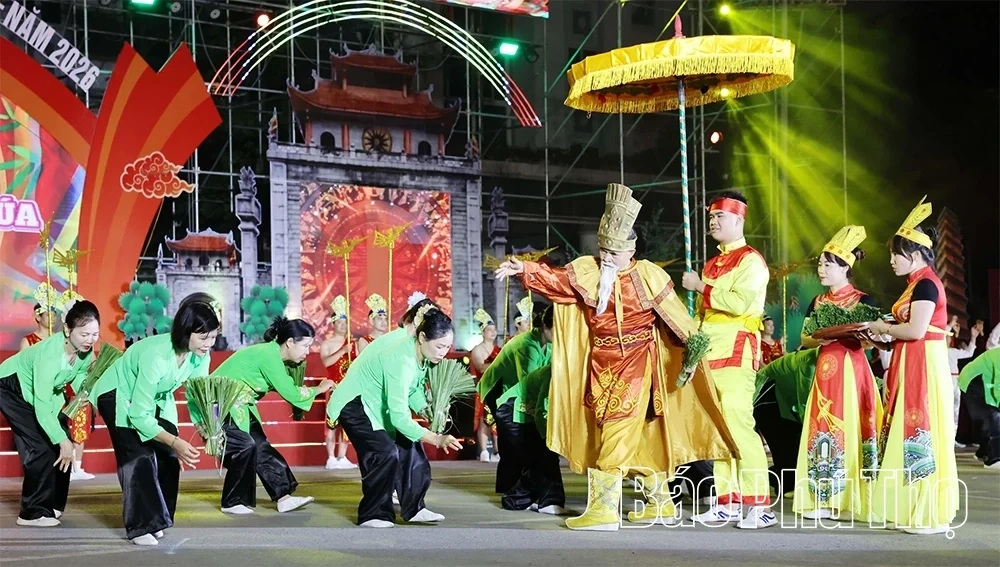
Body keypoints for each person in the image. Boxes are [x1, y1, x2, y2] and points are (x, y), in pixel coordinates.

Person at [495, 183, 737, 531]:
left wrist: (691, 352)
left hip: (637, 364)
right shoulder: (589, 271)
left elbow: (678, 320)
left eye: (614, 252)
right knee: (632, 439)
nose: (607, 256)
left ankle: (604, 509)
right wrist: (524, 270)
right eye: (604, 248)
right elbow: (557, 282)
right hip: (599, 364)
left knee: (615, 431)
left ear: (632, 250)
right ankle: (661, 504)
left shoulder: (648, 276)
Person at [681, 190, 774, 529]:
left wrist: (700, 287)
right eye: (711, 217)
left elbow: (741, 304)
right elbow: (705, 314)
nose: (714, 221)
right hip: (710, 351)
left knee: (738, 425)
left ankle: (760, 504)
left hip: (736, 349)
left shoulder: (751, 260)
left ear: (739, 219)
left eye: (720, 216)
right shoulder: (712, 263)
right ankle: (727, 501)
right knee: (718, 429)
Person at [91, 301, 218, 546]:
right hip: (117, 394)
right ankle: (140, 526)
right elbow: (138, 415)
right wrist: (175, 440)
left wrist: (207, 428)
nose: (209, 344)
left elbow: (198, 394)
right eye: (203, 337)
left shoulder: (201, 355)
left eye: (213, 337)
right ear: (185, 331)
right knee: (138, 456)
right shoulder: (157, 355)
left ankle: (157, 518)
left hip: (156, 398)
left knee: (168, 456)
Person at [868, 197, 959, 535]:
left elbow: (916, 330)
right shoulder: (914, 285)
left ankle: (930, 513)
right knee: (910, 430)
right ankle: (913, 507)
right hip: (912, 359)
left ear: (917, 255)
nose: (891, 261)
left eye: (896, 254)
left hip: (924, 362)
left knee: (924, 431)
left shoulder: (925, 284)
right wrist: (883, 336)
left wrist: (884, 328)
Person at [326, 305, 463, 528]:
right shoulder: (401, 357)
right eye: (439, 346)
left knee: (410, 447)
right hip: (354, 402)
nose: (443, 352)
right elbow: (400, 417)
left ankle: (415, 508)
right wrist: (436, 438)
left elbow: (413, 389)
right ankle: (373, 514)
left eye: (447, 347)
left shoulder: (422, 354)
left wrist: (427, 409)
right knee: (384, 452)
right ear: (421, 335)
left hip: (377, 402)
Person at [792, 226, 883, 521]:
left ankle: (856, 499)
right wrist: (824, 337)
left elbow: (873, 341)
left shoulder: (863, 301)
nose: (821, 269)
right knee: (823, 430)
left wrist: (854, 334)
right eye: (820, 263)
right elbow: (804, 338)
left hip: (852, 372)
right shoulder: (817, 303)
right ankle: (823, 498)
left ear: (845, 268)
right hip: (824, 373)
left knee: (852, 428)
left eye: (827, 264)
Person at [203, 317, 335, 515]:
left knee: (258, 447)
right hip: (220, 405)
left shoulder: (272, 354)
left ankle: (282, 497)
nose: (308, 352)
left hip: (238, 405)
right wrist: (319, 389)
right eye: (305, 346)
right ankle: (234, 501)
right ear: (290, 342)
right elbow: (291, 393)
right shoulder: (269, 356)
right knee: (250, 447)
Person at [0, 299, 100, 527]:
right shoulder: (49, 355)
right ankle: (31, 513)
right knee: (42, 444)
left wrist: (88, 394)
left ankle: (53, 504)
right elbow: (42, 407)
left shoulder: (85, 352)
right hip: (10, 388)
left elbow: (77, 380)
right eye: (84, 334)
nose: (90, 340)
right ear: (67, 329)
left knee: (62, 436)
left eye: (95, 334)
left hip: (46, 392)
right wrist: (61, 440)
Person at [479, 304, 553, 502]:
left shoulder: (550, 343)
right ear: (546, 327)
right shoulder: (526, 344)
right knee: (513, 440)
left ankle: (511, 487)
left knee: (518, 441)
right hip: (499, 389)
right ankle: (512, 490)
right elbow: (527, 380)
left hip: (519, 391)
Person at [21, 292, 95, 481]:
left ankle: (75, 465)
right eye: (47, 313)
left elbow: (81, 370)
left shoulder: (73, 344)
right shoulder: (33, 342)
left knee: (77, 418)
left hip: (63, 391)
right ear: (38, 316)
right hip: (38, 392)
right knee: (44, 439)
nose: (51, 317)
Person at [754, 348, 818, 497]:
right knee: (786, 443)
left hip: (783, 399)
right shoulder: (808, 363)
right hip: (766, 395)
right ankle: (785, 485)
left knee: (791, 441)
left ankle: (778, 479)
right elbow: (804, 402)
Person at [321, 295, 360, 470]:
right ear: (333, 323)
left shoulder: (353, 343)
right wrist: (343, 350)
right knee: (332, 424)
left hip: (349, 389)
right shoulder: (327, 344)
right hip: (334, 387)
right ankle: (330, 457)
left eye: (346, 322)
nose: (343, 325)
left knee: (347, 424)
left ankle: (342, 456)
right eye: (340, 322)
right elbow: (326, 362)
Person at [958, 349, 1000, 468]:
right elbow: (998, 385)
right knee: (993, 415)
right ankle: (994, 458)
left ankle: (982, 452)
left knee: (988, 417)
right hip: (973, 380)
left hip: (984, 381)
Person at [470, 308, 502, 462]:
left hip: (498, 388)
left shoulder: (499, 350)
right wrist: (498, 364)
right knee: (484, 419)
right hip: (484, 388)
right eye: (489, 330)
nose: (493, 332)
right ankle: (484, 451)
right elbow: (481, 367)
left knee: (498, 419)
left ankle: (497, 451)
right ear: (483, 332)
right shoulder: (477, 350)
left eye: (494, 329)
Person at [947, 318, 981, 446]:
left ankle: (953, 438)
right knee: (949, 409)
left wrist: (973, 337)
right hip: (946, 380)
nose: (949, 340)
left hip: (956, 379)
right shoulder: (938, 351)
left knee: (955, 409)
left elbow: (969, 352)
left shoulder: (952, 351)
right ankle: (947, 438)